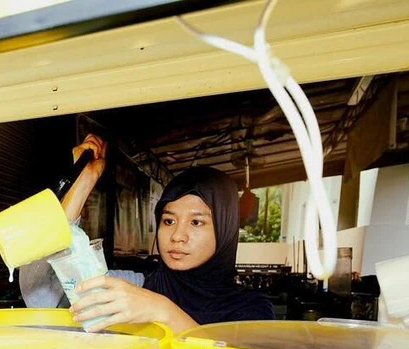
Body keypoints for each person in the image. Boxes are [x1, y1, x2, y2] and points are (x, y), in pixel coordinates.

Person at [20, 134, 275, 331]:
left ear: (226, 228)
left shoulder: (251, 309)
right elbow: (41, 291)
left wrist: (163, 312)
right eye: (168, 221)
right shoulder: (137, 288)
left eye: (196, 222)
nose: (177, 235)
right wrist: (83, 181)